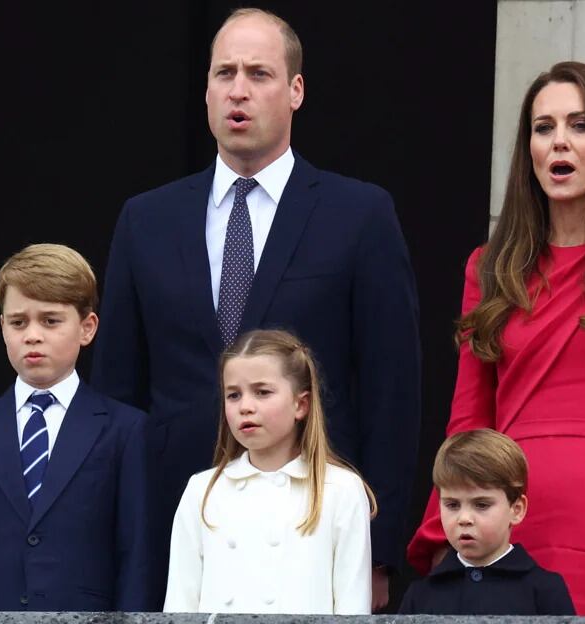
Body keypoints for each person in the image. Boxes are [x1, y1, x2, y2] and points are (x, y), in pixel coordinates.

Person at [91, 7, 420, 608]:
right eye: (224, 73)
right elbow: (118, 391)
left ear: (296, 90)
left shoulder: (360, 216)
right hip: (177, 526)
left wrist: (379, 550)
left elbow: (391, 391)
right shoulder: (147, 220)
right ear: (207, 90)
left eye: (260, 74)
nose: (238, 90)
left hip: (313, 528)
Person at [407, 61, 585, 615]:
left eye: (581, 125)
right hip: (516, 513)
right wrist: (446, 517)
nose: (559, 142)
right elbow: (470, 413)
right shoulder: (490, 267)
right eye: (543, 128)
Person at [0, 243, 155, 611]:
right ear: (2, 328)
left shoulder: (125, 430)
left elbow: (137, 554)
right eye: (18, 322)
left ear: (87, 327)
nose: (32, 335)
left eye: (50, 320)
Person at [163, 329, 374, 613]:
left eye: (262, 392)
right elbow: (180, 604)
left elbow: (353, 606)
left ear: (301, 404)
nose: (246, 407)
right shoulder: (202, 490)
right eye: (234, 395)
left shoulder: (340, 489)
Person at [400, 429, 574, 615]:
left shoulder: (545, 590)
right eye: (452, 505)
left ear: (516, 510)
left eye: (481, 505)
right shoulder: (421, 595)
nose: (464, 519)